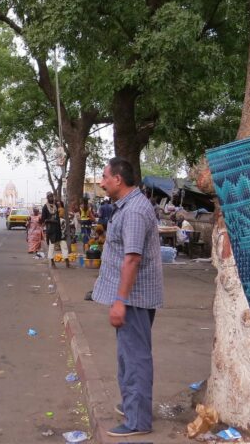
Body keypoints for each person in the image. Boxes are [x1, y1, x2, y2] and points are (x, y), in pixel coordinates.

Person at [91, 157, 163, 438]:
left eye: (104, 177)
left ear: (118, 179)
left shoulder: (133, 211)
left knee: (134, 358)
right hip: (133, 296)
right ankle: (133, 406)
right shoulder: (131, 206)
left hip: (133, 298)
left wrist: (120, 301)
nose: (101, 182)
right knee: (128, 356)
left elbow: (132, 259)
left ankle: (138, 421)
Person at [40, 192, 65, 267]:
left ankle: (67, 261)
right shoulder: (45, 207)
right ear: (47, 198)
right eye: (49, 196)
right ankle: (52, 262)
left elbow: (58, 216)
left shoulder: (56, 206)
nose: (51, 198)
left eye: (52, 196)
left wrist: (56, 221)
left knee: (63, 244)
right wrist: (50, 220)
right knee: (51, 245)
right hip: (50, 229)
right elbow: (43, 219)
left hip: (57, 228)